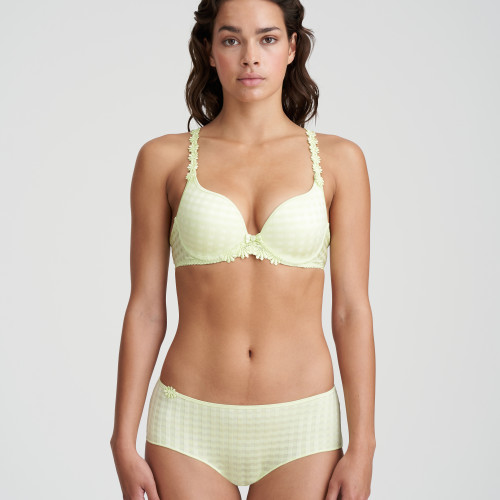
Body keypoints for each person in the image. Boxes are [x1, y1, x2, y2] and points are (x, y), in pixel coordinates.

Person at [110, 0, 376, 499]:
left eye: (267, 39)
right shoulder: (162, 159)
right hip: (187, 424)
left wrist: (363, 446)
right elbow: (145, 308)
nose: (250, 56)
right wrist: (122, 440)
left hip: (304, 426)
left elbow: (351, 311)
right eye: (231, 39)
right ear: (210, 52)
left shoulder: (341, 161)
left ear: (292, 48)